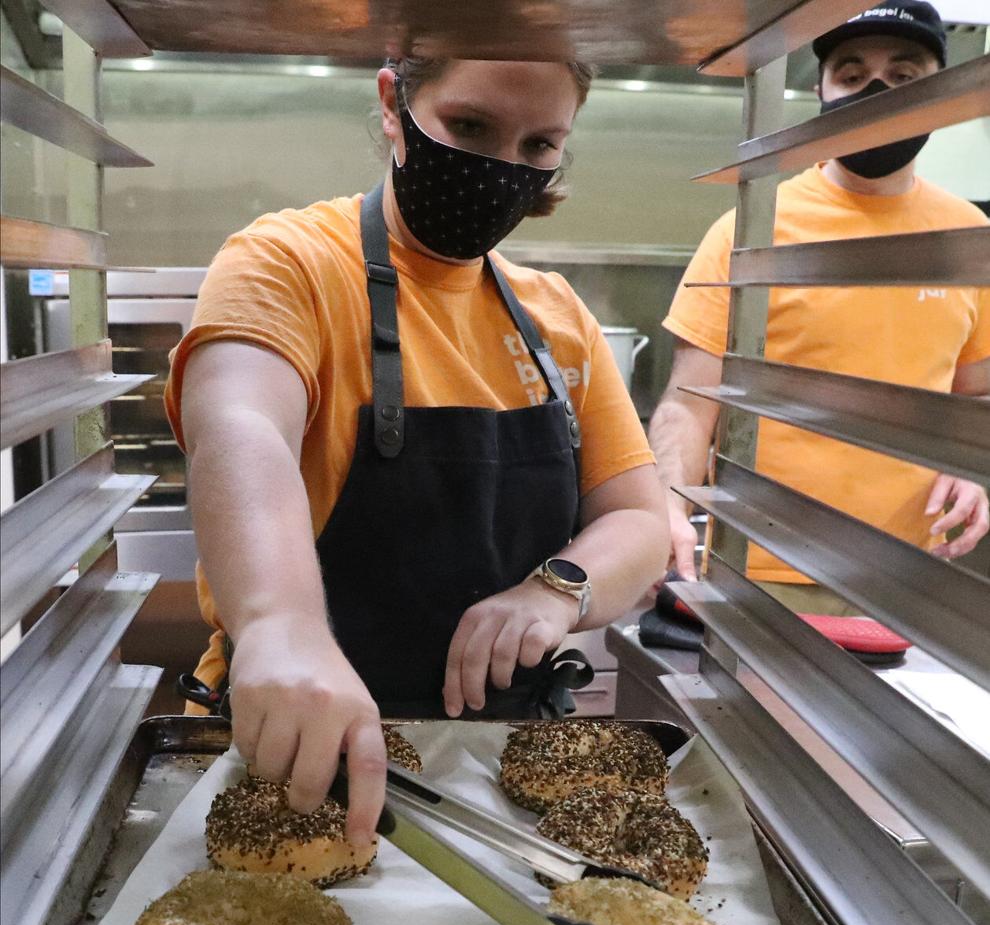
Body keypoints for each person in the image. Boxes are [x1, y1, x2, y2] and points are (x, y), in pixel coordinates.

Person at [165, 56, 668, 842]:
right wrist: (278, 622)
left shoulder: (557, 317)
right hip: (296, 755)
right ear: (394, 102)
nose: (499, 170)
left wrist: (556, 588)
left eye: (538, 146)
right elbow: (240, 427)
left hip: (505, 759)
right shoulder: (290, 261)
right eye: (469, 127)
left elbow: (639, 518)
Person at [649, 1, 989, 612]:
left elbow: (974, 396)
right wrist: (665, 510)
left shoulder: (968, 240)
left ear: (942, 90)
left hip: (905, 574)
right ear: (821, 90)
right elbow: (689, 404)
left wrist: (972, 467)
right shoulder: (751, 228)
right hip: (754, 566)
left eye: (904, 75)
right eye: (853, 75)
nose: (877, 90)